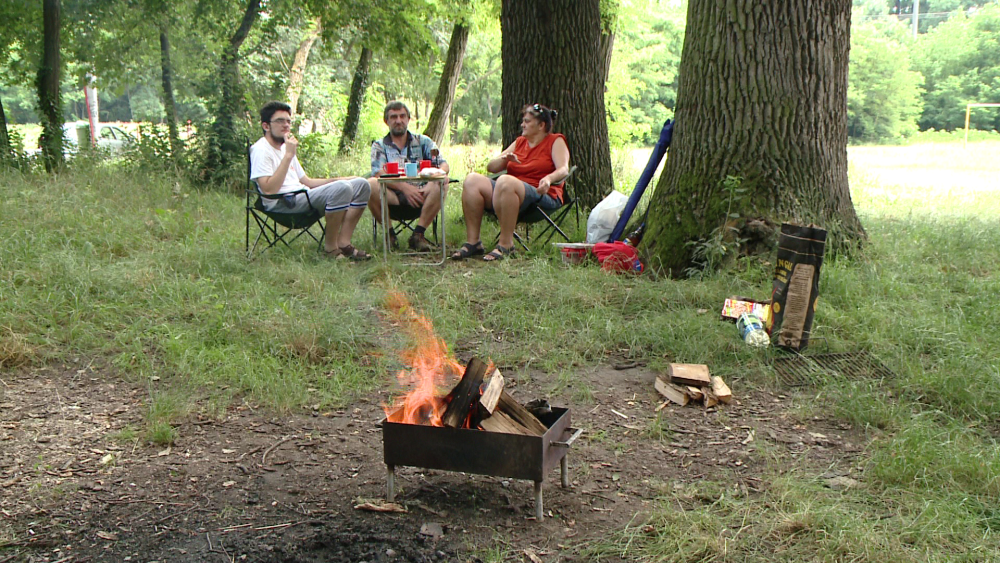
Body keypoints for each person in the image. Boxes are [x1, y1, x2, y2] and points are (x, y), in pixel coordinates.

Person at [250, 101, 372, 260]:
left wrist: (342, 179)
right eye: (280, 121)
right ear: (266, 126)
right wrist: (288, 156)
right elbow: (268, 190)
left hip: (304, 195)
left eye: (288, 121)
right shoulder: (261, 150)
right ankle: (331, 249)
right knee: (342, 188)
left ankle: (343, 243)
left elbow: (307, 181)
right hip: (283, 204)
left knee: (362, 184)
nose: (286, 125)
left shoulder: (285, 148)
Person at [451, 103, 570, 262]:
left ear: (541, 125)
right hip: (508, 191)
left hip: (541, 194)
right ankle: (474, 243)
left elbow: (563, 169)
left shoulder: (555, 141)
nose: (522, 124)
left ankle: (506, 244)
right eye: (523, 121)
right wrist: (504, 160)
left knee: (505, 181)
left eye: (527, 121)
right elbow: (491, 167)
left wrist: (548, 179)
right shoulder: (520, 142)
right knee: (472, 180)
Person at [367, 101, 450, 251]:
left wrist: (432, 179)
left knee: (442, 180)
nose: (398, 120)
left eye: (402, 116)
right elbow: (379, 172)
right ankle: (390, 237)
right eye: (393, 117)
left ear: (408, 119)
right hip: (392, 197)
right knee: (371, 184)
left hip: (422, 195)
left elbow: (444, 165)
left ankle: (418, 236)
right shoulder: (379, 146)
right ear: (386, 121)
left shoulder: (423, 141)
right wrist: (404, 188)